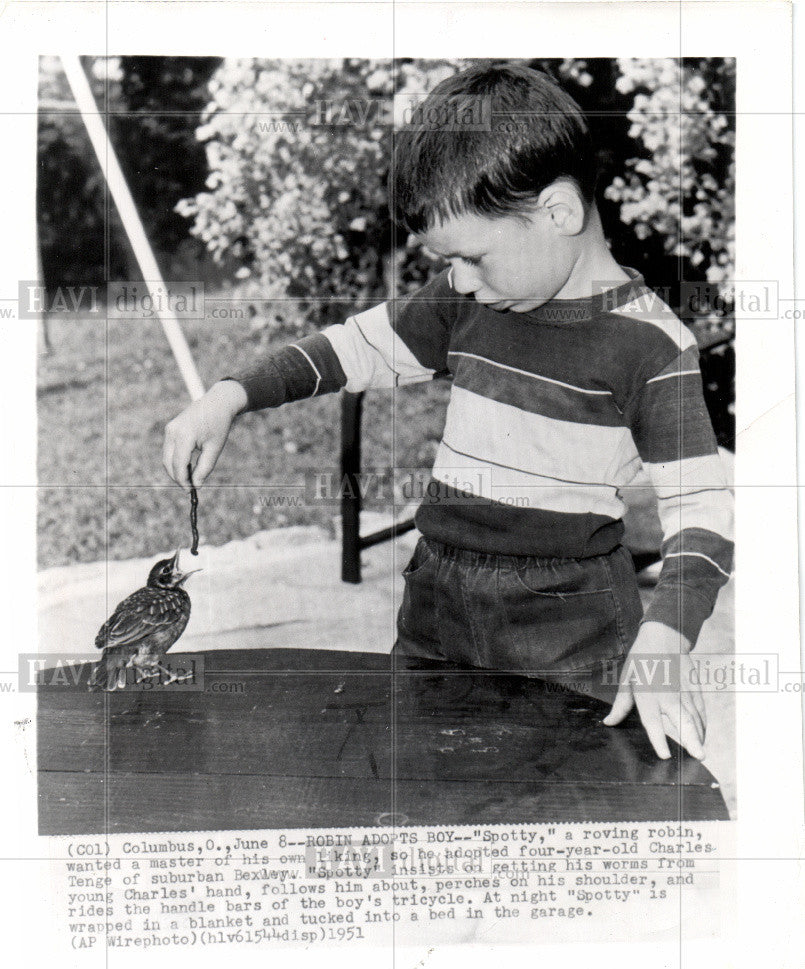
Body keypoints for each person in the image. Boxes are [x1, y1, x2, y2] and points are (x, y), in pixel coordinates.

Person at [162, 63, 733, 762]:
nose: (456, 281)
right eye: (446, 262)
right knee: (420, 778)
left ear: (558, 212)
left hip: (568, 624)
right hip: (437, 598)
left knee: (560, 803)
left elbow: (702, 507)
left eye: (471, 257)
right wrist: (232, 394)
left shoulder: (650, 345)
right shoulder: (468, 299)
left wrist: (666, 632)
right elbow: (352, 346)